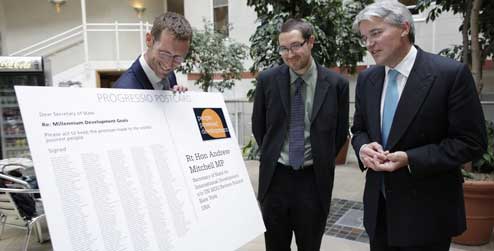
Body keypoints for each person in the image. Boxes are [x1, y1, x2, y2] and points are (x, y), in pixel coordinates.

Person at [351, 2, 487, 251]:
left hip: (427, 215)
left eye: (376, 33)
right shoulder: (367, 79)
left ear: (404, 28)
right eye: (364, 37)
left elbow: (471, 143)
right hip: (379, 211)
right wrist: (362, 149)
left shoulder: (449, 74)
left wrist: (410, 158)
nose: (369, 43)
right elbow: (358, 130)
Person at [252, 18, 349, 251]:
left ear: (311, 41)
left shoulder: (337, 84)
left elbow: (338, 135)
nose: (289, 54)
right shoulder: (267, 80)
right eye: (283, 48)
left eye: (296, 45)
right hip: (276, 179)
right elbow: (260, 127)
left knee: (310, 246)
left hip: (313, 182)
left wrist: (320, 158)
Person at [113, 12, 191, 91]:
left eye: (177, 58)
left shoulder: (170, 76)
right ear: (149, 40)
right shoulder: (124, 90)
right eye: (164, 54)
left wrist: (177, 99)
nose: (168, 65)